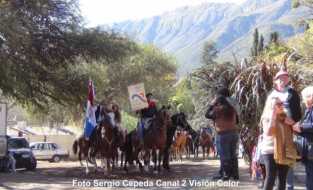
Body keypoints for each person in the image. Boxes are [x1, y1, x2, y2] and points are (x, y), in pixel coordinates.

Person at [259, 70, 301, 190]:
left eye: (285, 78)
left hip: (285, 140)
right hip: (270, 142)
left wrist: (285, 118)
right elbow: (264, 118)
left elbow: (296, 116)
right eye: (279, 78)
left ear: (288, 80)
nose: (282, 80)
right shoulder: (270, 96)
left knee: (282, 178)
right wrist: (274, 116)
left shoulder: (292, 94)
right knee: (270, 176)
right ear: (275, 81)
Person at [206, 93, 239, 180]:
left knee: (225, 156)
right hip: (234, 134)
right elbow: (237, 121)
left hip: (223, 135)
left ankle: (226, 175)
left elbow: (207, 115)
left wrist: (211, 105)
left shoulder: (218, 110)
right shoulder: (232, 109)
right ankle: (235, 175)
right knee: (233, 155)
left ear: (218, 102)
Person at [292, 86, 313, 190]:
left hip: (311, 149)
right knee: (309, 175)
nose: (304, 101)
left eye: (305, 98)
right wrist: (296, 128)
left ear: (311, 97)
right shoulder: (308, 110)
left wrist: (300, 127)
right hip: (308, 150)